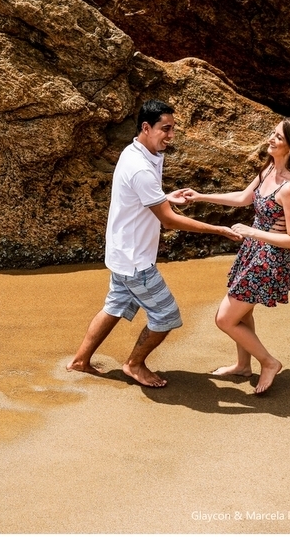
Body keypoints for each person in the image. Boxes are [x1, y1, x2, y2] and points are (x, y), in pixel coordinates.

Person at [67, 99, 242, 387]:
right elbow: (169, 220)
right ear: (145, 127)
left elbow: (144, 198)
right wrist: (219, 230)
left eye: (173, 129)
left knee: (115, 306)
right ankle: (134, 365)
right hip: (136, 261)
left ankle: (80, 361)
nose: (171, 135)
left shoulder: (136, 151)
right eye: (165, 129)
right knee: (166, 316)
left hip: (121, 253)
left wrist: (162, 197)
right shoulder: (140, 168)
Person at [175, 117, 290, 393]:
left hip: (269, 260)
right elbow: (243, 197)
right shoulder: (267, 171)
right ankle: (243, 365)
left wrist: (252, 233)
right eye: (272, 134)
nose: (271, 139)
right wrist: (200, 196)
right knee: (242, 313)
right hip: (253, 253)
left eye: (277, 137)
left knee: (225, 319)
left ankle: (268, 362)